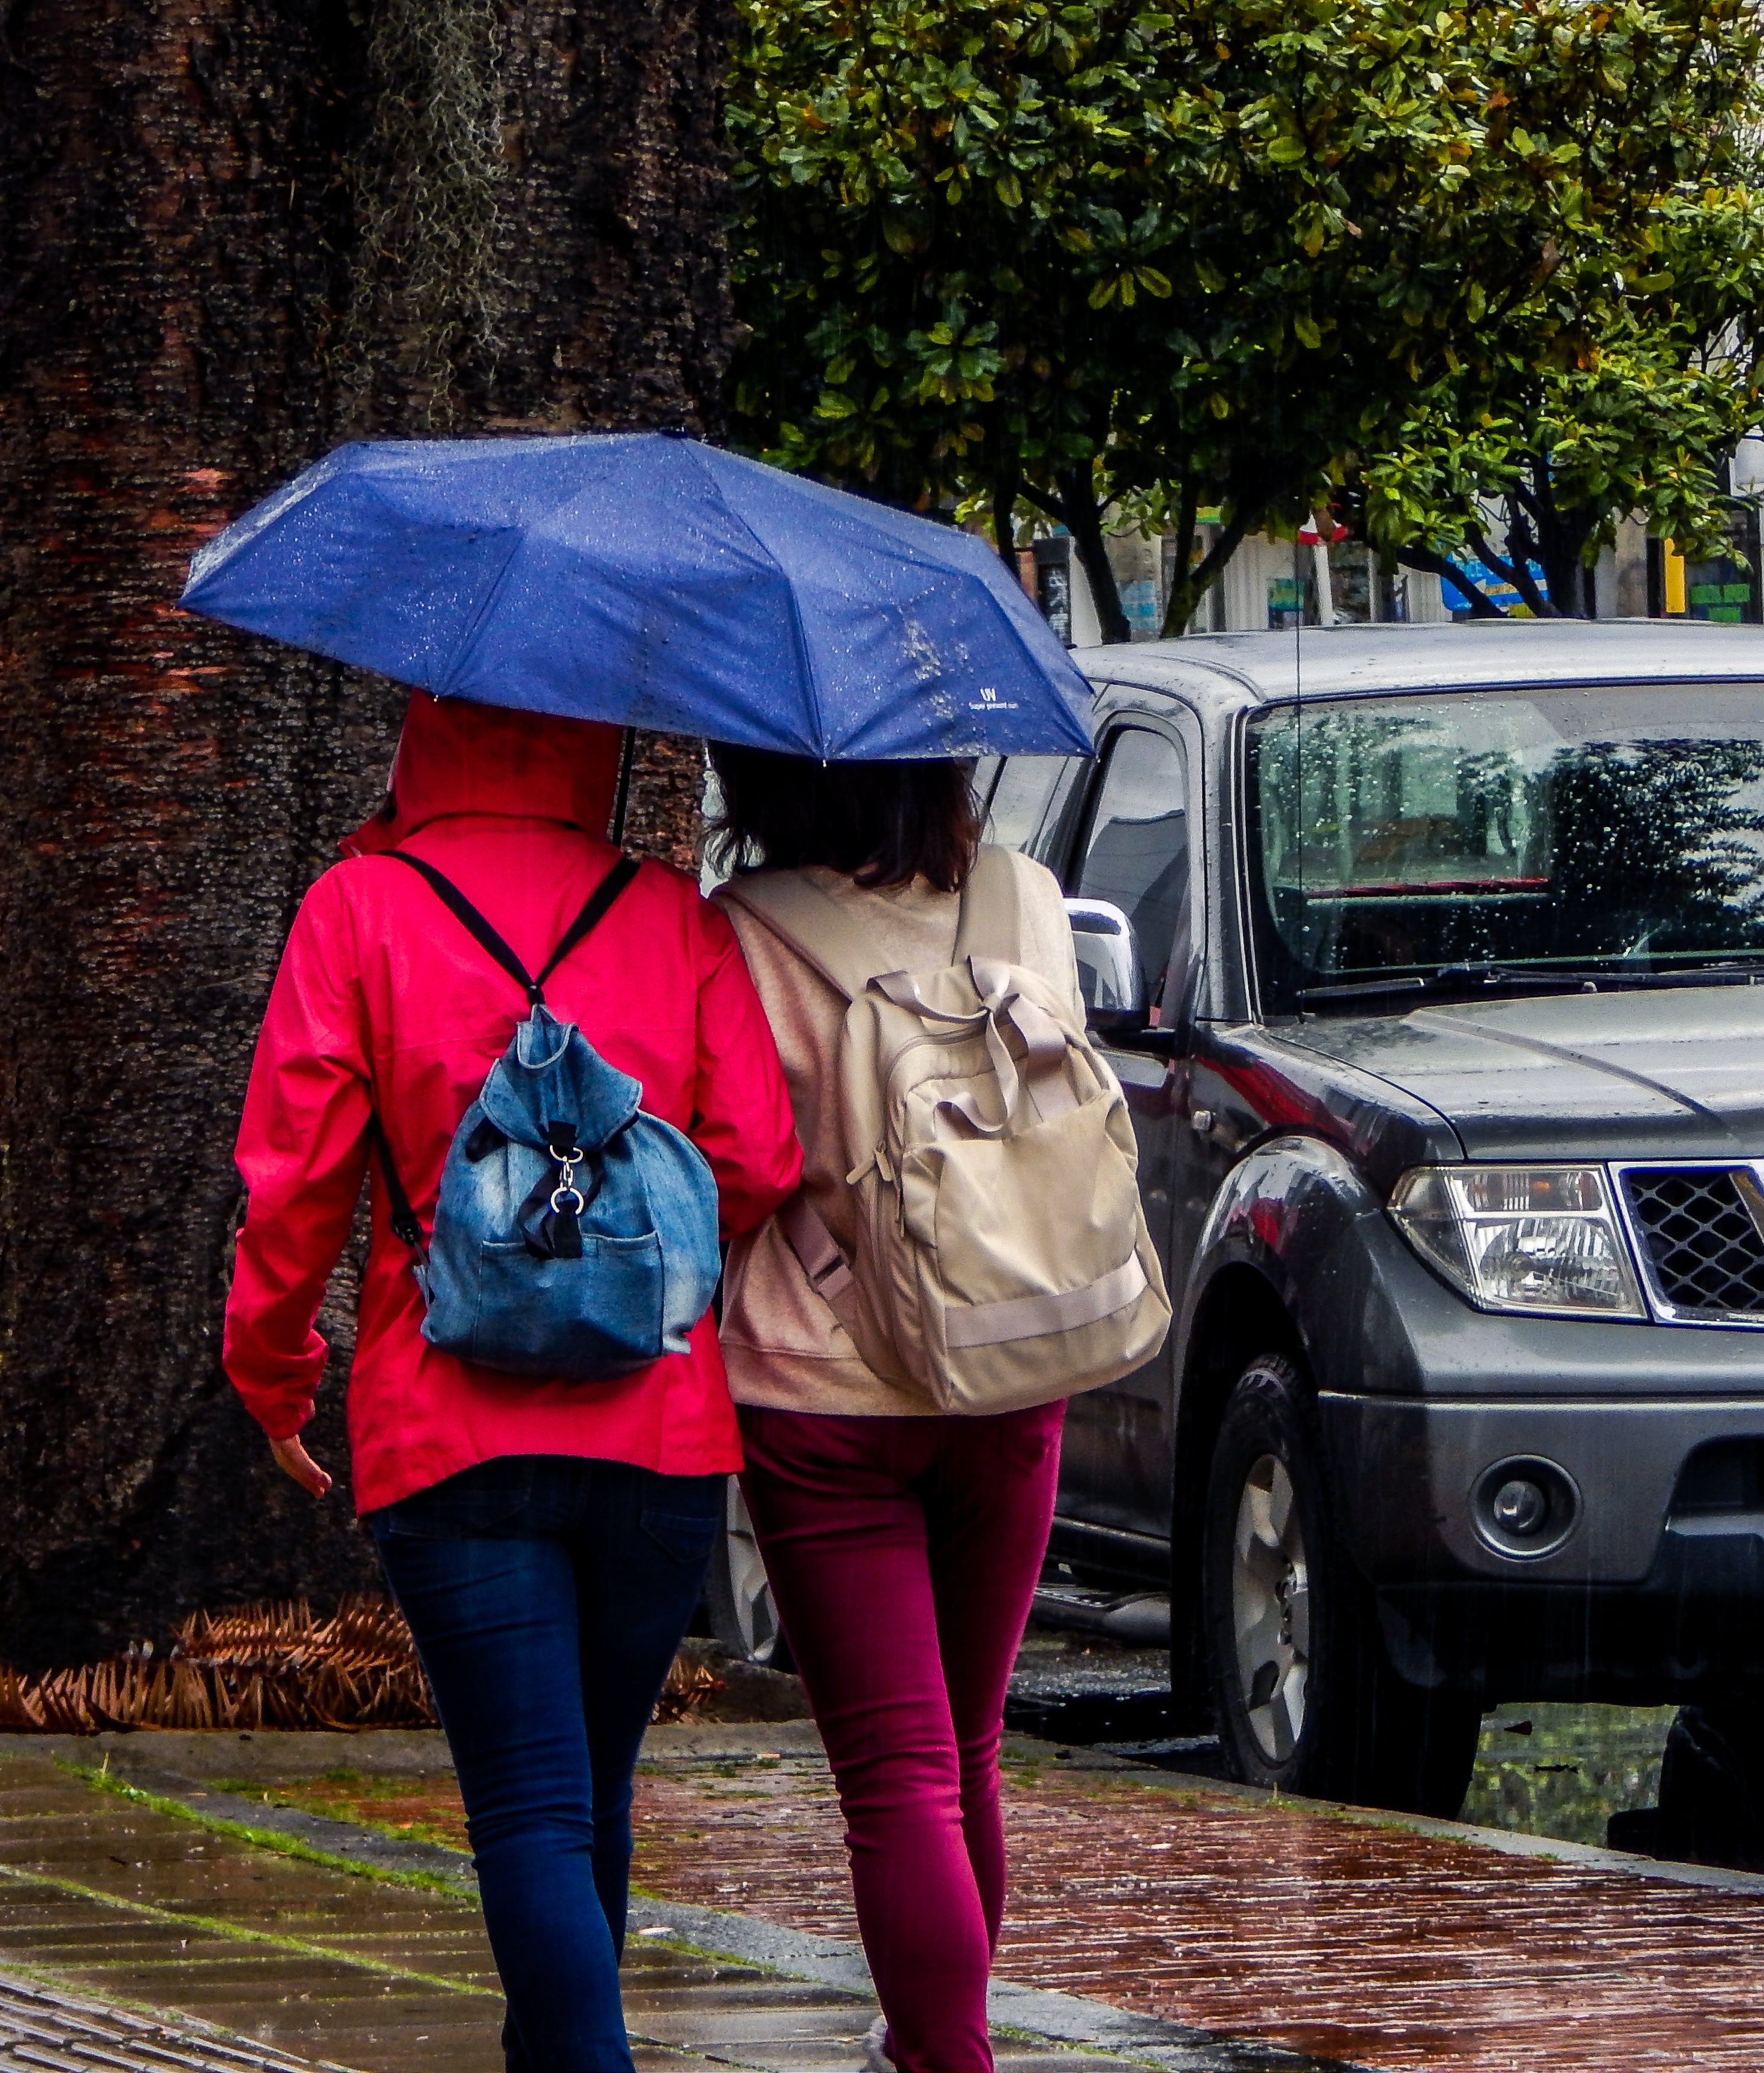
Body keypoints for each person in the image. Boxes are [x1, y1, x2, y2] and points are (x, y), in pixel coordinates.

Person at [223, 698, 800, 2073]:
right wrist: (624, 1245)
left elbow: (294, 1182)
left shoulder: (359, 910)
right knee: (590, 1791)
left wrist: (274, 1376)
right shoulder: (673, 915)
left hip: (450, 1427)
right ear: (587, 741)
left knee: (533, 1807)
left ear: (426, 735)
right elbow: (764, 1159)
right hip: (659, 1434)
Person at [708, 750, 1106, 2073]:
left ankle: (944, 2052)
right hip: (1014, 1364)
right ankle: (943, 2031)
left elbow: (745, 1162)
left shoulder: (744, 933)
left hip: (825, 1399)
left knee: (896, 1775)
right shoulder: (1028, 898)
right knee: (969, 1747)